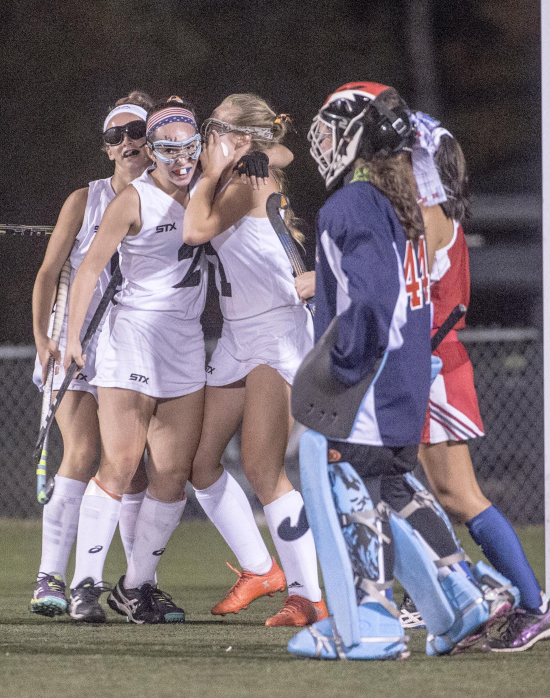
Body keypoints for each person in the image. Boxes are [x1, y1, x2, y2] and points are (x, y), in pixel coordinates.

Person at [287, 82, 515, 660]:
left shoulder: (351, 206)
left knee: (348, 491)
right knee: (394, 487)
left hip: (367, 384)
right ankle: (467, 594)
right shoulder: (402, 202)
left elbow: (373, 298)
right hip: (405, 384)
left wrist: (341, 363)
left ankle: (372, 619)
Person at [407, 112, 550, 651]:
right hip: (423, 365)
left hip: (431, 367)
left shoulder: (428, 216)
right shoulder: (429, 212)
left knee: (455, 493)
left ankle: (524, 601)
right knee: (420, 489)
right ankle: (464, 591)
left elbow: (399, 293)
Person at [182, 94, 326, 627]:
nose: (203, 136)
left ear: (238, 138)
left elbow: (195, 231)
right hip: (237, 335)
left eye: (214, 127)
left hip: (275, 329)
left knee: (264, 468)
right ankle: (261, 568)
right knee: (200, 463)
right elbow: (281, 153)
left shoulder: (242, 184)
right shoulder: (243, 169)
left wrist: (222, 166)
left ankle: (309, 595)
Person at [63, 97, 207, 624]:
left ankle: (136, 587)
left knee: (172, 474)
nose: (176, 158)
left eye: (184, 147)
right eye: (165, 149)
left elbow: (273, 157)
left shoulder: (211, 191)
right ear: (152, 153)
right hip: (132, 338)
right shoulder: (133, 201)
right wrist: (75, 335)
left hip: (186, 342)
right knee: (121, 464)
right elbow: (89, 268)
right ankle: (83, 584)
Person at [28, 91, 155, 619]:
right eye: (114, 137)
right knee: (83, 452)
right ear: (106, 149)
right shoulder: (85, 200)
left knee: (137, 471)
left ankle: (136, 585)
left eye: (135, 133)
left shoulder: (173, 195)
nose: (126, 142)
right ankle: (50, 578)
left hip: (136, 343)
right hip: (80, 339)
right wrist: (44, 338)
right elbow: (47, 274)